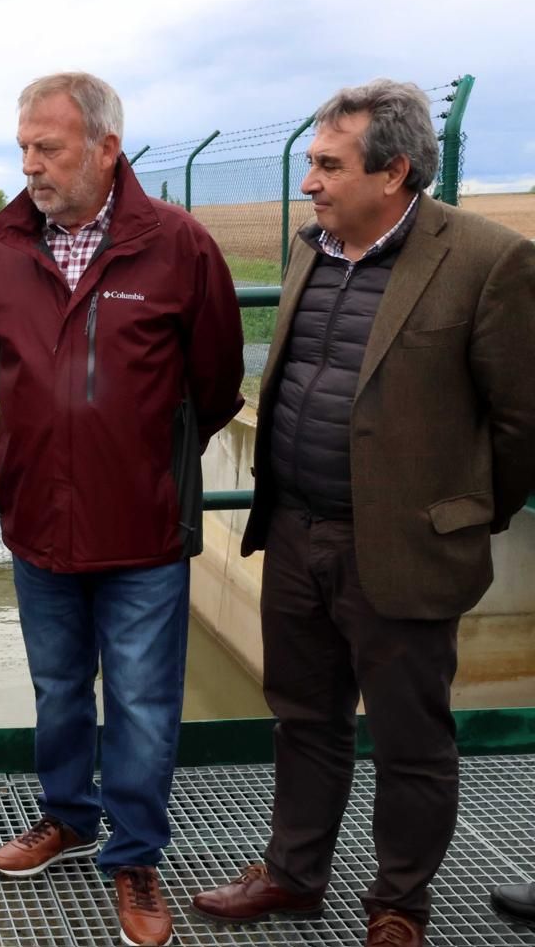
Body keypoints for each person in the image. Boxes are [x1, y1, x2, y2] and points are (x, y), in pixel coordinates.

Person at [190, 80, 535, 947]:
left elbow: (521, 420)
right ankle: (293, 876)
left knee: (412, 740)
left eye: (328, 165)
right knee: (304, 721)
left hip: (405, 547)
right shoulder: (311, 247)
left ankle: (398, 906)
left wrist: (462, 517)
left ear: (395, 171)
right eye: (310, 161)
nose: (308, 181)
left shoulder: (488, 260)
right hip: (295, 531)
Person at [0, 72, 244, 947]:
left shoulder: (178, 246)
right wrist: (49, 446)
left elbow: (216, 382)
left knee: (142, 701)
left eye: (48, 148)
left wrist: (136, 461)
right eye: (23, 147)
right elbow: (0, 365)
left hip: (141, 528)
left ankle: (134, 854)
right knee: (57, 689)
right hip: (38, 521)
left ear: (105, 147)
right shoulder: (4, 248)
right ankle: (67, 817)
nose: (30, 165)